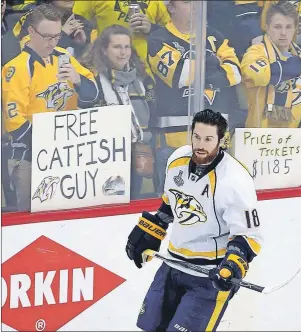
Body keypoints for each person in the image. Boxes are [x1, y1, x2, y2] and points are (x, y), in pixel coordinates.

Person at [126, 109, 263, 332]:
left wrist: (232, 265)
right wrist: (154, 229)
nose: (201, 144)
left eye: (208, 139)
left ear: (222, 140)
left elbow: (249, 236)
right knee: (150, 327)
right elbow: (171, 203)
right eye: (197, 137)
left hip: (208, 278)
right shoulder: (177, 159)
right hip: (171, 265)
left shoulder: (235, 180)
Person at [2, 3, 99, 211]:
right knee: (32, 223)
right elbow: (16, 124)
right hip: (31, 158)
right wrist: (50, 146)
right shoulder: (16, 68)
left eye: (56, 36)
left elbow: (93, 97)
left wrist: (78, 81)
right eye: (47, 36)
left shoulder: (64, 57)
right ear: (31, 32)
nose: (52, 42)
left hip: (69, 156)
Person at [148, 0, 241, 195]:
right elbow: (181, 75)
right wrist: (214, 62)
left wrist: (198, 66)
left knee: (215, 209)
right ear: (171, 7)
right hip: (175, 144)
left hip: (216, 145)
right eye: (186, 2)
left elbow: (234, 74)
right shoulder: (158, 39)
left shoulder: (215, 36)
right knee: (172, 212)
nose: (195, 7)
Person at [81, 24, 155, 199]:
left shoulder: (141, 76)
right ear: (104, 50)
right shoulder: (92, 78)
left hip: (135, 153)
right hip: (105, 158)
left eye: (126, 47)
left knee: (134, 201)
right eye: (117, 47)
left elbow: (151, 112)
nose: (123, 52)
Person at [241, 1, 301, 128]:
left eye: (289, 27)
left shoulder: (298, 55)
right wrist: (294, 66)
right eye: (278, 27)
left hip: (293, 140)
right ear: (267, 27)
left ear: (295, 29)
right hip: (258, 137)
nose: (283, 33)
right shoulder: (256, 51)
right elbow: (259, 76)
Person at [73, 0, 170, 72]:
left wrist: (151, 28)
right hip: (104, 67)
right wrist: (84, 45)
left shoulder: (156, 3)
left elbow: (172, 34)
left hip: (143, 70)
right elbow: (77, 22)